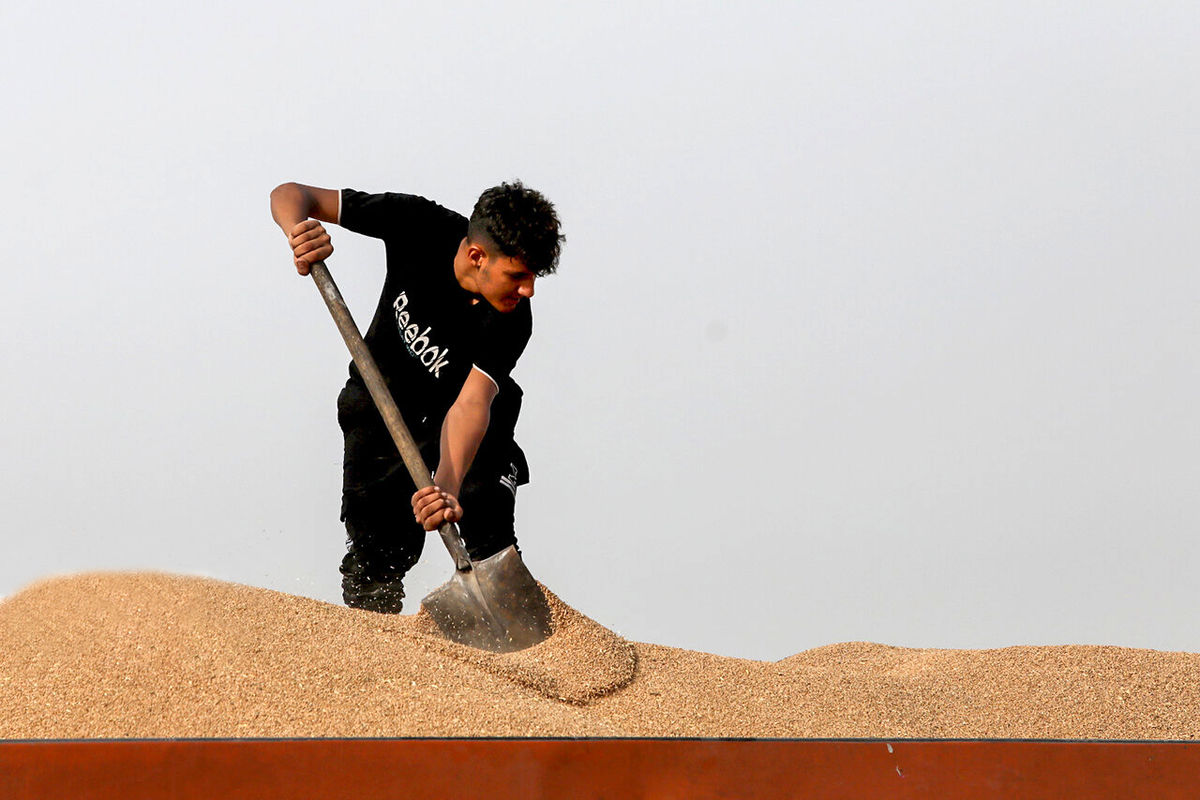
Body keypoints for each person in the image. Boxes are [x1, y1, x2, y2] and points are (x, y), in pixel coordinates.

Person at [269, 181, 563, 613]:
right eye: (518, 276)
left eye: (533, 277)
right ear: (478, 256)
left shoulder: (512, 322)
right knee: (377, 560)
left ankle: (513, 647)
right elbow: (291, 193)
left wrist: (444, 485)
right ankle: (382, 654)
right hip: (379, 407)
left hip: (466, 424)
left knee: (489, 531)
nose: (528, 291)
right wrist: (298, 229)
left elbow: (472, 404)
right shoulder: (416, 223)